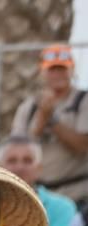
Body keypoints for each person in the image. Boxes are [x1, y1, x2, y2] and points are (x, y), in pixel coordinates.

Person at [12, 44, 88, 205]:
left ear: (72, 70)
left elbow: (83, 145)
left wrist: (52, 121)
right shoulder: (28, 108)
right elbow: (19, 149)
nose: (57, 74)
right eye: (52, 70)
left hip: (76, 195)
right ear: (42, 72)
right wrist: (41, 118)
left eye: (62, 69)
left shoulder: (83, 102)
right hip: (37, 196)